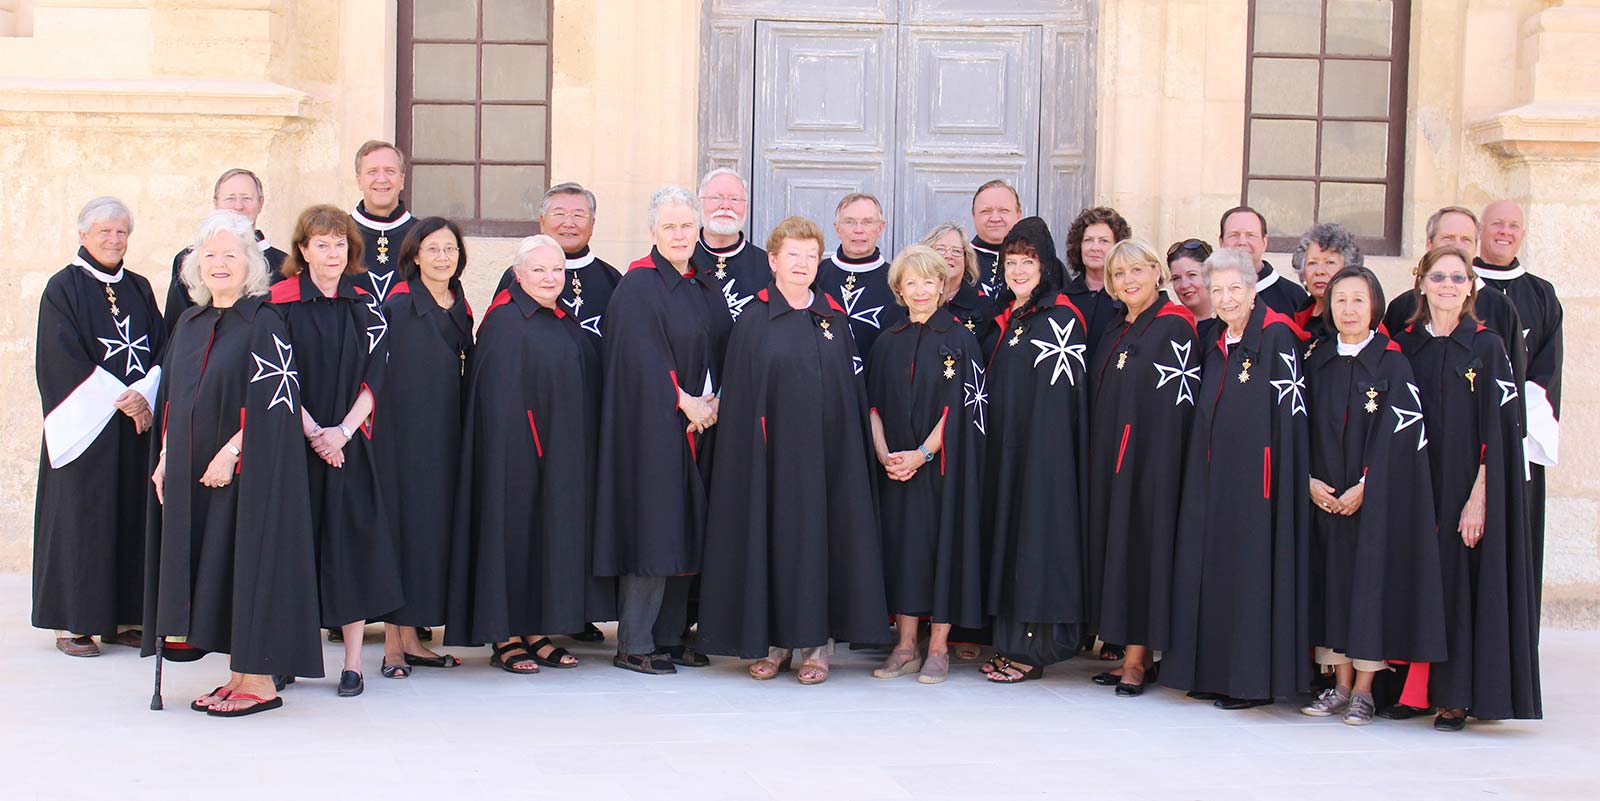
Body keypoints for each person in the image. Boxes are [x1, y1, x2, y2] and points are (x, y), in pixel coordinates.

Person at [697, 216, 891, 683]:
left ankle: (817, 647)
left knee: (818, 546)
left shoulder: (833, 318)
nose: (802, 264)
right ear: (773, 260)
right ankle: (777, 644)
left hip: (825, 462)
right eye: (793, 255)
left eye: (810, 256)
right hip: (770, 461)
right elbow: (742, 398)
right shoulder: (753, 320)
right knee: (774, 544)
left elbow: (848, 395)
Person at [142, 211, 322, 717]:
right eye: (210, 255)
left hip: (245, 473)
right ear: (196, 264)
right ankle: (237, 675)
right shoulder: (191, 322)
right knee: (217, 568)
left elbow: (273, 398)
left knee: (248, 563)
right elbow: (178, 398)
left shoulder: (264, 320)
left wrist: (233, 451)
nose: (219, 264)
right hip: (192, 474)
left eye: (231, 254)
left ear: (251, 263)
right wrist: (164, 456)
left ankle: (260, 682)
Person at [445, 235, 615, 674]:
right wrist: (526, 446)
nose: (549, 278)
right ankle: (505, 635)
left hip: (559, 456)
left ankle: (536, 630)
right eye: (539, 270)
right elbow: (496, 398)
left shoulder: (562, 318)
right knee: (511, 537)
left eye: (557, 270)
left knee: (546, 540)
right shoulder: (504, 321)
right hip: (511, 458)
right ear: (518, 274)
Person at [1391, 246, 1541, 731]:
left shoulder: (1486, 345)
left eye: (1458, 277)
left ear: (1471, 287)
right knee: (1416, 580)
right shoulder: (1404, 344)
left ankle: (1454, 697)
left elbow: (1498, 433)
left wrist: (1480, 498)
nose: (1448, 285)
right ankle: (1412, 691)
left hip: (1463, 488)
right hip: (1415, 486)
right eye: (1439, 276)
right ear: (1422, 282)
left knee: (1456, 586)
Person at [1163, 247, 1311, 710]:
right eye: (1218, 290)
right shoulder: (1216, 339)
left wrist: (1276, 481)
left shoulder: (1277, 336)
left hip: (1258, 484)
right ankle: (1211, 672)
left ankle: (1247, 681)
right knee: (1210, 571)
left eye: (1235, 289)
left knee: (1249, 575)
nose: (1226, 298)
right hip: (1212, 477)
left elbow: (1289, 417)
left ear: (1252, 289)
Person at [593, 186, 733, 674]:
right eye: (669, 226)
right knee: (653, 529)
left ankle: (670, 636)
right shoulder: (638, 286)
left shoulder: (700, 285)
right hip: (650, 430)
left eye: (686, 226)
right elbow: (637, 358)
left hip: (700, 426)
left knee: (686, 528)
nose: (679, 234)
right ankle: (634, 642)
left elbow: (720, 349)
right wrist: (684, 401)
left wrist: (713, 400)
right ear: (652, 231)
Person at [1298, 266, 1446, 726]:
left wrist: (1368, 485)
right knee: (1329, 587)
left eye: (1358, 300)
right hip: (1322, 499)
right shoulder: (1315, 359)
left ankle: (1364, 689)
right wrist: (1307, 480)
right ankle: (1338, 684)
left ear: (1374, 306)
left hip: (1372, 504)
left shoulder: (1393, 363)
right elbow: (1296, 425)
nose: (1348, 309)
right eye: (1340, 299)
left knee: (1366, 590)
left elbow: (1400, 435)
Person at [270, 204, 404, 698]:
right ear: (302, 250)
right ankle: (286, 655)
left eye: (340, 243)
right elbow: (278, 373)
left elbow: (378, 372)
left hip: (351, 442)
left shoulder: (365, 304)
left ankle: (352, 663)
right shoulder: (278, 303)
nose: (332, 252)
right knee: (294, 548)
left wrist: (342, 432)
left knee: (350, 548)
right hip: (295, 441)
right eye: (321, 244)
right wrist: (314, 434)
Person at [34, 196, 164, 658]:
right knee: (83, 519)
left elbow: (162, 349)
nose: (114, 239)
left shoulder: (140, 287)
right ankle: (74, 621)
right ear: (83, 235)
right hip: (87, 424)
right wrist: (119, 397)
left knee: (131, 515)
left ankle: (125, 617)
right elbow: (59, 355)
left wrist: (146, 392)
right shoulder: (63, 288)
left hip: (135, 425)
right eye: (104, 231)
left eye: (121, 232)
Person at [864, 246, 986, 685]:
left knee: (941, 549)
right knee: (904, 551)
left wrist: (923, 454)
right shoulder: (887, 340)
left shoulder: (959, 338)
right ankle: (904, 645)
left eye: (928, 281)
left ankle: (938, 649)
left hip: (940, 469)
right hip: (895, 468)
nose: (920, 290)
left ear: (941, 286)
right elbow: (872, 403)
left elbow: (960, 408)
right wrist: (883, 453)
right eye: (910, 282)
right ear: (899, 288)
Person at [977, 217, 1090, 684]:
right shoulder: (1007, 317)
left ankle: (1035, 649)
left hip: (1045, 457)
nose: (1019, 270)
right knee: (1009, 540)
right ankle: (1008, 642)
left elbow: (1061, 399)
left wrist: (1044, 454)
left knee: (1037, 542)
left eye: (1029, 261)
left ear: (1045, 266)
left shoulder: (1062, 317)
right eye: (1011, 261)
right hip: (1007, 452)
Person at [1085, 239, 1197, 697]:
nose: (1129, 280)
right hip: (1111, 459)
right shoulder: (1116, 328)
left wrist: (1151, 461)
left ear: (1157, 272)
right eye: (1119, 274)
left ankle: (1138, 659)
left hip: (1152, 462)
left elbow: (1174, 405)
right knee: (1119, 550)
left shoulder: (1173, 326)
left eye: (1137, 270)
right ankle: (1122, 646)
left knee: (1144, 551)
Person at [371, 217, 472, 678]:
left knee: (431, 533)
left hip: (446, 433)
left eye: (449, 248)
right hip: (403, 435)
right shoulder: (397, 302)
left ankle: (413, 638)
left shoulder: (459, 303)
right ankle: (393, 645)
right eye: (433, 249)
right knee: (403, 531)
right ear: (414, 255)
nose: (442, 257)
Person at [1474, 201, 1561, 608]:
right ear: (1480, 229)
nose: (1504, 232)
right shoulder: (1457, 285)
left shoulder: (1542, 295)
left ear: (1523, 233)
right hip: (1466, 438)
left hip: (1520, 442)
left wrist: (1513, 429)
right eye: (1496, 224)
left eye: (1513, 226)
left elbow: (1547, 372)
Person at [1381, 207, 1525, 383]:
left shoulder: (1501, 307)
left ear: (1475, 248)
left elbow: (1513, 382)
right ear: (1429, 243)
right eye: (1448, 238)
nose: (1457, 246)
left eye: (1466, 240)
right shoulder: (1402, 307)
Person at [163, 168, 288, 334]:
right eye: (230, 198)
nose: (238, 206)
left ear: (261, 203)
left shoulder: (284, 264)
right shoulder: (189, 260)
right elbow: (176, 325)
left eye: (246, 198)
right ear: (216, 203)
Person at [494, 182, 619, 342]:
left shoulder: (612, 279)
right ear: (542, 221)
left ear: (592, 224)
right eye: (559, 214)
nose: (568, 223)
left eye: (578, 215)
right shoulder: (520, 276)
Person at [816, 192, 904, 358]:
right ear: (837, 228)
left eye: (867, 222)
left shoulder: (897, 281)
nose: (859, 230)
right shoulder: (815, 275)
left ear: (881, 227)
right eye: (850, 222)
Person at [691, 168, 767, 319]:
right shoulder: (681, 258)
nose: (725, 206)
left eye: (734, 199)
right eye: (716, 198)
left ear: (746, 207)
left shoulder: (767, 266)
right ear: (699, 204)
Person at [349, 140, 418, 302]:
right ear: (359, 180)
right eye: (372, 171)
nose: (381, 179)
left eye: (390, 171)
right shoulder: (337, 234)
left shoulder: (424, 235)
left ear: (402, 180)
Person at [1063, 206, 1132, 359]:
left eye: (1104, 241)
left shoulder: (1129, 299)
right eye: (1088, 240)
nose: (1095, 248)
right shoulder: (1064, 299)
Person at [1219, 205, 1308, 316]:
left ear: (1264, 242)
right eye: (1234, 235)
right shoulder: (1210, 296)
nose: (1242, 242)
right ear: (1221, 242)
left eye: (1251, 235)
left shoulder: (1294, 297)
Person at [1289, 223, 1362, 340]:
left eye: (1329, 262)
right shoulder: (1299, 314)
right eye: (1312, 263)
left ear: (1348, 268)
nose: (1319, 271)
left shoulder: (1359, 321)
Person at [921, 221, 988, 336]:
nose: (949, 256)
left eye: (956, 251)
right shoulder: (912, 300)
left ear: (966, 259)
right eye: (941, 249)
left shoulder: (984, 305)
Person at [970, 179, 1022, 294]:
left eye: (1003, 210)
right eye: (985, 211)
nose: (995, 219)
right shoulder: (958, 261)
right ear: (973, 215)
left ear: (1019, 214)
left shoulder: (1040, 260)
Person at [1167, 238, 1216, 343]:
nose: (1184, 285)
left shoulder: (1228, 326)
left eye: (1192, 275)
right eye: (1176, 278)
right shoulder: (1170, 327)